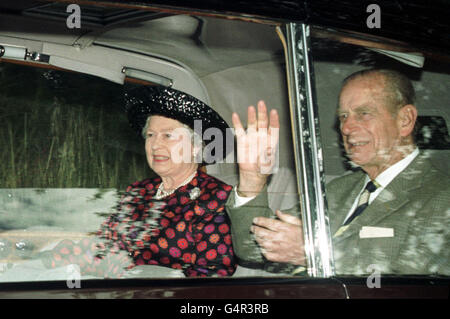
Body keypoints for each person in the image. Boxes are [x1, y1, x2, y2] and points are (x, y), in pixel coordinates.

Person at [227, 69, 450, 275]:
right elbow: (252, 249)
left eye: (363, 113)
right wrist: (252, 180)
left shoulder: (442, 197)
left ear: (405, 120)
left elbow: (423, 277)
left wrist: (316, 254)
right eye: (343, 116)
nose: (346, 128)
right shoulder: (338, 190)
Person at [45, 86, 236, 277]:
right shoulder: (138, 191)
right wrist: (51, 259)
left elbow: (213, 276)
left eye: (167, 136)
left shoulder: (216, 197)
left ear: (195, 146)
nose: (155, 145)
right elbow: (102, 246)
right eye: (151, 135)